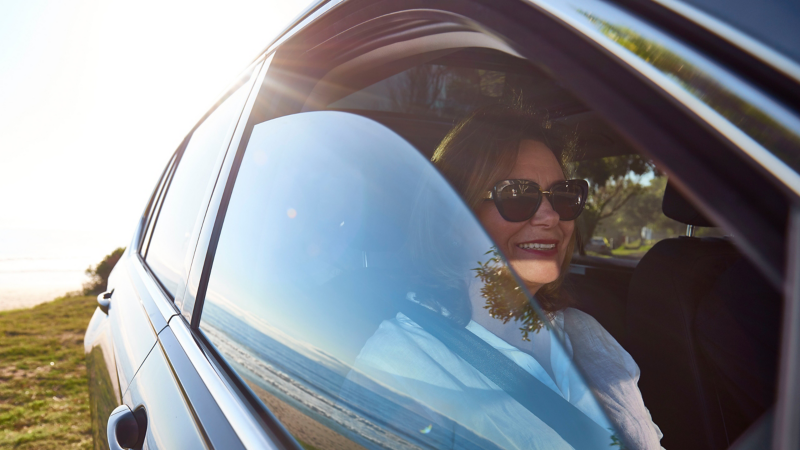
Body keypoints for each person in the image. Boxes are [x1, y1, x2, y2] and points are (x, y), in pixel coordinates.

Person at [344, 104, 663, 449]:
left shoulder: (584, 331)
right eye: (516, 195)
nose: (551, 216)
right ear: (453, 220)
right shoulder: (399, 365)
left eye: (563, 195)